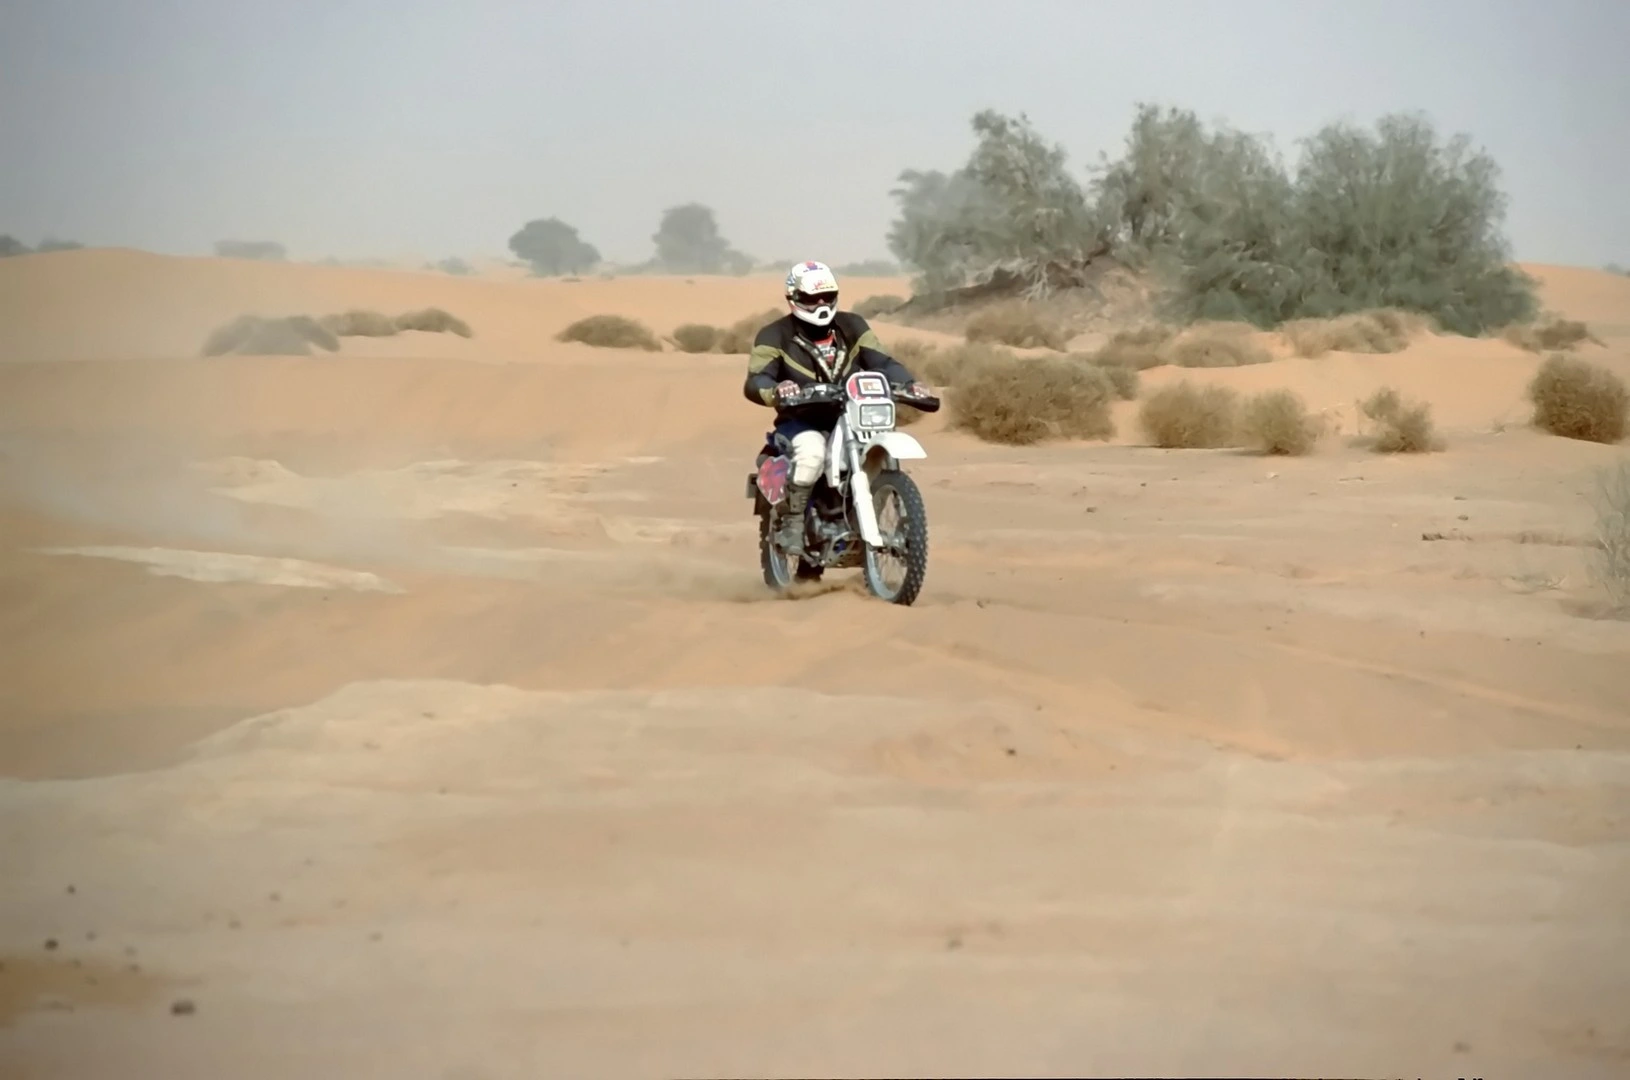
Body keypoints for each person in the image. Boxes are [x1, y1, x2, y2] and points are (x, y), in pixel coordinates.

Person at [742, 260, 931, 559]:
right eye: (811, 298)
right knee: (812, 453)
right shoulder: (774, 335)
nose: (820, 304)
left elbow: (881, 361)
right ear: (793, 298)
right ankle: (792, 523)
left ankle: (873, 516)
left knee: (877, 451)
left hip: (853, 418)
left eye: (827, 296)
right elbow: (757, 379)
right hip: (801, 420)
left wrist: (909, 384)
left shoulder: (852, 326)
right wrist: (777, 390)